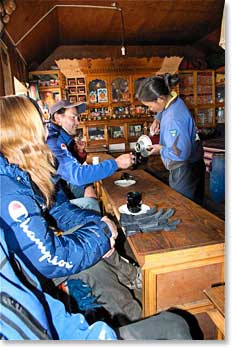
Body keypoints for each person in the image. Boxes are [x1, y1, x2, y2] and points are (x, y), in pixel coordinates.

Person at [0, 96, 141, 326]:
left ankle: (131, 287)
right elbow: (49, 260)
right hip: (25, 276)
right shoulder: (8, 189)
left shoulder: (21, 170)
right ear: (21, 133)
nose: (45, 133)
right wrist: (100, 235)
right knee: (93, 265)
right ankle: (134, 322)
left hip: (37, 255)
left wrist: (98, 225)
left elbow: (59, 211)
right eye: (39, 125)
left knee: (92, 233)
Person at [1, 226, 192, 341]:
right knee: (175, 323)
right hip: (42, 264)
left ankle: (131, 278)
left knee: (95, 232)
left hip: (40, 262)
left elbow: (46, 312)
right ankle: (132, 310)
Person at [135, 74, 205, 204]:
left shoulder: (173, 119)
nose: (150, 110)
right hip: (195, 163)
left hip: (183, 169)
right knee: (195, 204)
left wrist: (160, 150)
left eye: (149, 106)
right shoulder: (174, 100)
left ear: (160, 99)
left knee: (184, 207)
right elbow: (165, 107)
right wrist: (157, 118)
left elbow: (181, 154)